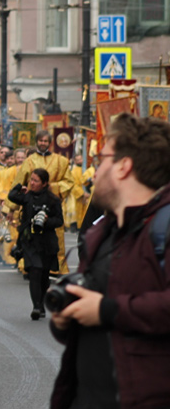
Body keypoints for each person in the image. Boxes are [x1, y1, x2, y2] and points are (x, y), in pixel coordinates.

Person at [50, 114, 170, 409]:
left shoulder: (163, 228)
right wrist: (65, 320)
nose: (94, 170)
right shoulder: (101, 233)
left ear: (123, 166)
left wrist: (106, 310)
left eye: (101, 158)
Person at [13, 129, 75, 274]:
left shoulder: (61, 161)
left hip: (52, 203)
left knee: (56, 236)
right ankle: (29, 265)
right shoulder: (29, 161)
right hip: (32, 202)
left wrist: (53, 187)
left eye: (46, 141)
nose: (43, 143)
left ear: (50, 143)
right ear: (37, 142)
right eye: (40, 141)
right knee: (30, 235)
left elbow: (69, 181)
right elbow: (19, 182)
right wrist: (10, 208)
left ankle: (56, 267)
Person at [8, 168, 63, 320]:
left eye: (36, 181)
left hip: (46, 241)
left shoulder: (53, 200)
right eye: (31, 180)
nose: (32, 183)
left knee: (44, 275)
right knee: (35, 271)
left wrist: (46, 221)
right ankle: (36, 307)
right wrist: (20, 187)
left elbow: (59, 221)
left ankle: (42, 302)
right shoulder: (26, 197)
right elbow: (11, 196)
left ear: (44, 183)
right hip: (30, 240)